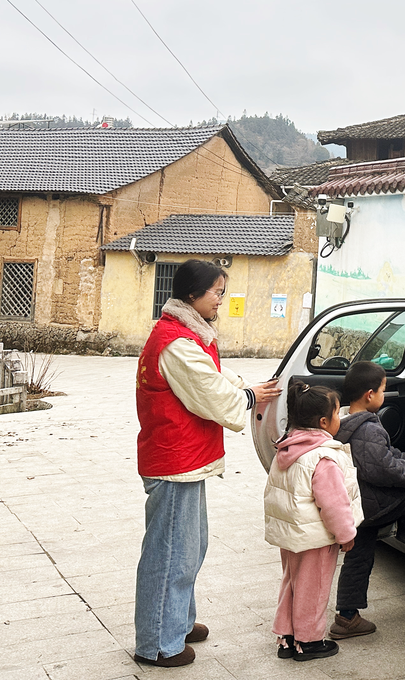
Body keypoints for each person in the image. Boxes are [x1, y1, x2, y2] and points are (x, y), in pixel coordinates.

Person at [133, 259, 282, 667]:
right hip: (174, 461)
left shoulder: (187, 334)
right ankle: (158, 643)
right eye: (217, 292)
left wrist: (248, 387)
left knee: (189, 547)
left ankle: (177, 622)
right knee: (170, 554)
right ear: (192, 294)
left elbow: (215, 375)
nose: (221, 300)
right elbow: (211, 393)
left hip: (185, 459)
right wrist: (249, 396)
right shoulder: (176, 342)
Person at [331, 361, 405, 639]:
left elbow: (385, 455)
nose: (384, 395)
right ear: (370, 395)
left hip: (356, 503)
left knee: (359, 558)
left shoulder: (344, 421)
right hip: (371, 503)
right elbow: (384, 470)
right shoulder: (368, 429)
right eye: (382, 390)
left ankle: (347, 617)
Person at [263, 383, 363, 661]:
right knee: (314, 588)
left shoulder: (287, 448)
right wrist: (346, 534)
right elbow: (333, 504)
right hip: (315, 538)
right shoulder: (324, 456)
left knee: (293, 583)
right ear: (323, 422)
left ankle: (288, 637)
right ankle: (309, 641)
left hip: (293, 534)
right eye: (337, 413)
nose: (340, 418)